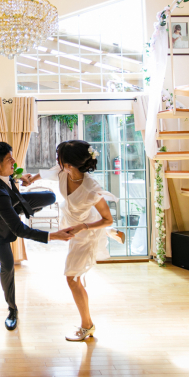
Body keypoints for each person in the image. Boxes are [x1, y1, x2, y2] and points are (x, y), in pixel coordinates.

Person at [24, 140, 125, 342]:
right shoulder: (63, 172)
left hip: (85, 233)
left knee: (72, 278)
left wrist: (83, 227)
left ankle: (87, 325)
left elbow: (107, 217)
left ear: (70, 164)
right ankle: (109, 233)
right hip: (72, 224)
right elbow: (48, 172)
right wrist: (30, 180)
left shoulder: (91, 189)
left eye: (59, 157)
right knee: (74, 278)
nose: (56, 160)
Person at [0, 142, 74, 331]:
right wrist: (53, 236)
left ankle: (21, 210)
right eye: (9, 159)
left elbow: (9, 173)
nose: (14, 160)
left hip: (13, 204)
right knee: (8, 266)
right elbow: (20, 230)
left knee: (50, 197)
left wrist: (20, 176)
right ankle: (12, 309)